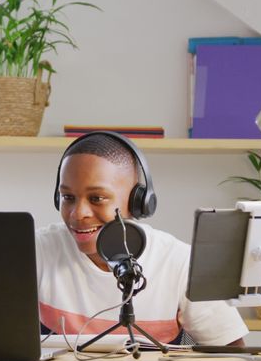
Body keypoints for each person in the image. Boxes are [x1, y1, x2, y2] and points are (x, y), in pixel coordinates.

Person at [36, 131, 248, 346]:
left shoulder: (183, 262)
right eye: (68, 198)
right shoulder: (33, 251)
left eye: (97, 198)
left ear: (138, 202)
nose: (78, 213)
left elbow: (232, 357)